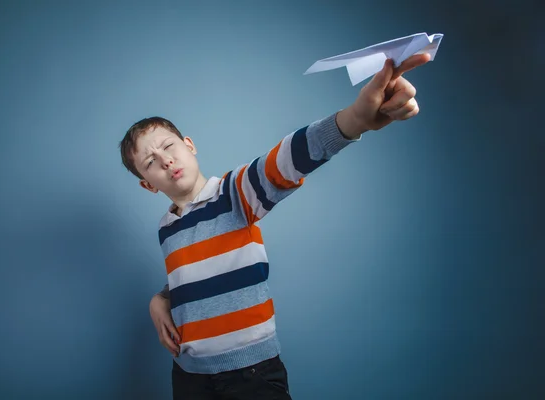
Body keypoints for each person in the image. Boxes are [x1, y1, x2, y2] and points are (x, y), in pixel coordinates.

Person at [120, 54, 431, 399]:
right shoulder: (167, 228)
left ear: (189, 146)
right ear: (149, 185)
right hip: (190, 375)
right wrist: (161, 298)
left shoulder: (235, 192)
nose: (165, 159)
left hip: (251, 374)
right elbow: (194, 273)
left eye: (169, 146)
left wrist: (354, 120)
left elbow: (285, 160)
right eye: (151, 162)